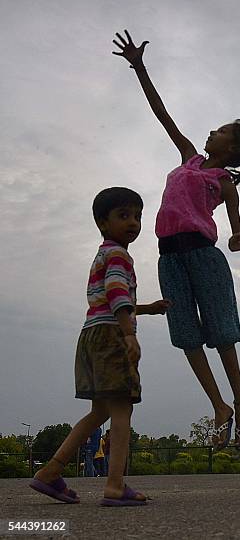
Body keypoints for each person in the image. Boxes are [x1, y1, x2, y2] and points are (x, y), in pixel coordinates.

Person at [112, 30, 240, 451]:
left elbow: (233, 228)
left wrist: (236, 239)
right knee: (187, 338)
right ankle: (220, 407)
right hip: (169, 258)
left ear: (232, 150)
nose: (211, 133)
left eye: (220, 132)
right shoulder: (189, 157)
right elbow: (163, 115)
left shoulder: (223, 182)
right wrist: (140, 68)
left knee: (222, 333)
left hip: (204, 256)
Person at [30, 187, 169, 506]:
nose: (133, 222)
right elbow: (118, 294)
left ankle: (50, 472)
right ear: (102, 222)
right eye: (124, 215)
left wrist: (147, 308)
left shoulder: (104, 253)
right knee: (122, 408)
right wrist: (129, 333)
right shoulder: (119, 255)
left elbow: (109, 297)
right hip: (111, 336)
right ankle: (115, 484)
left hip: (91, 335)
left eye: (137, 216)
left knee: (100, 411)